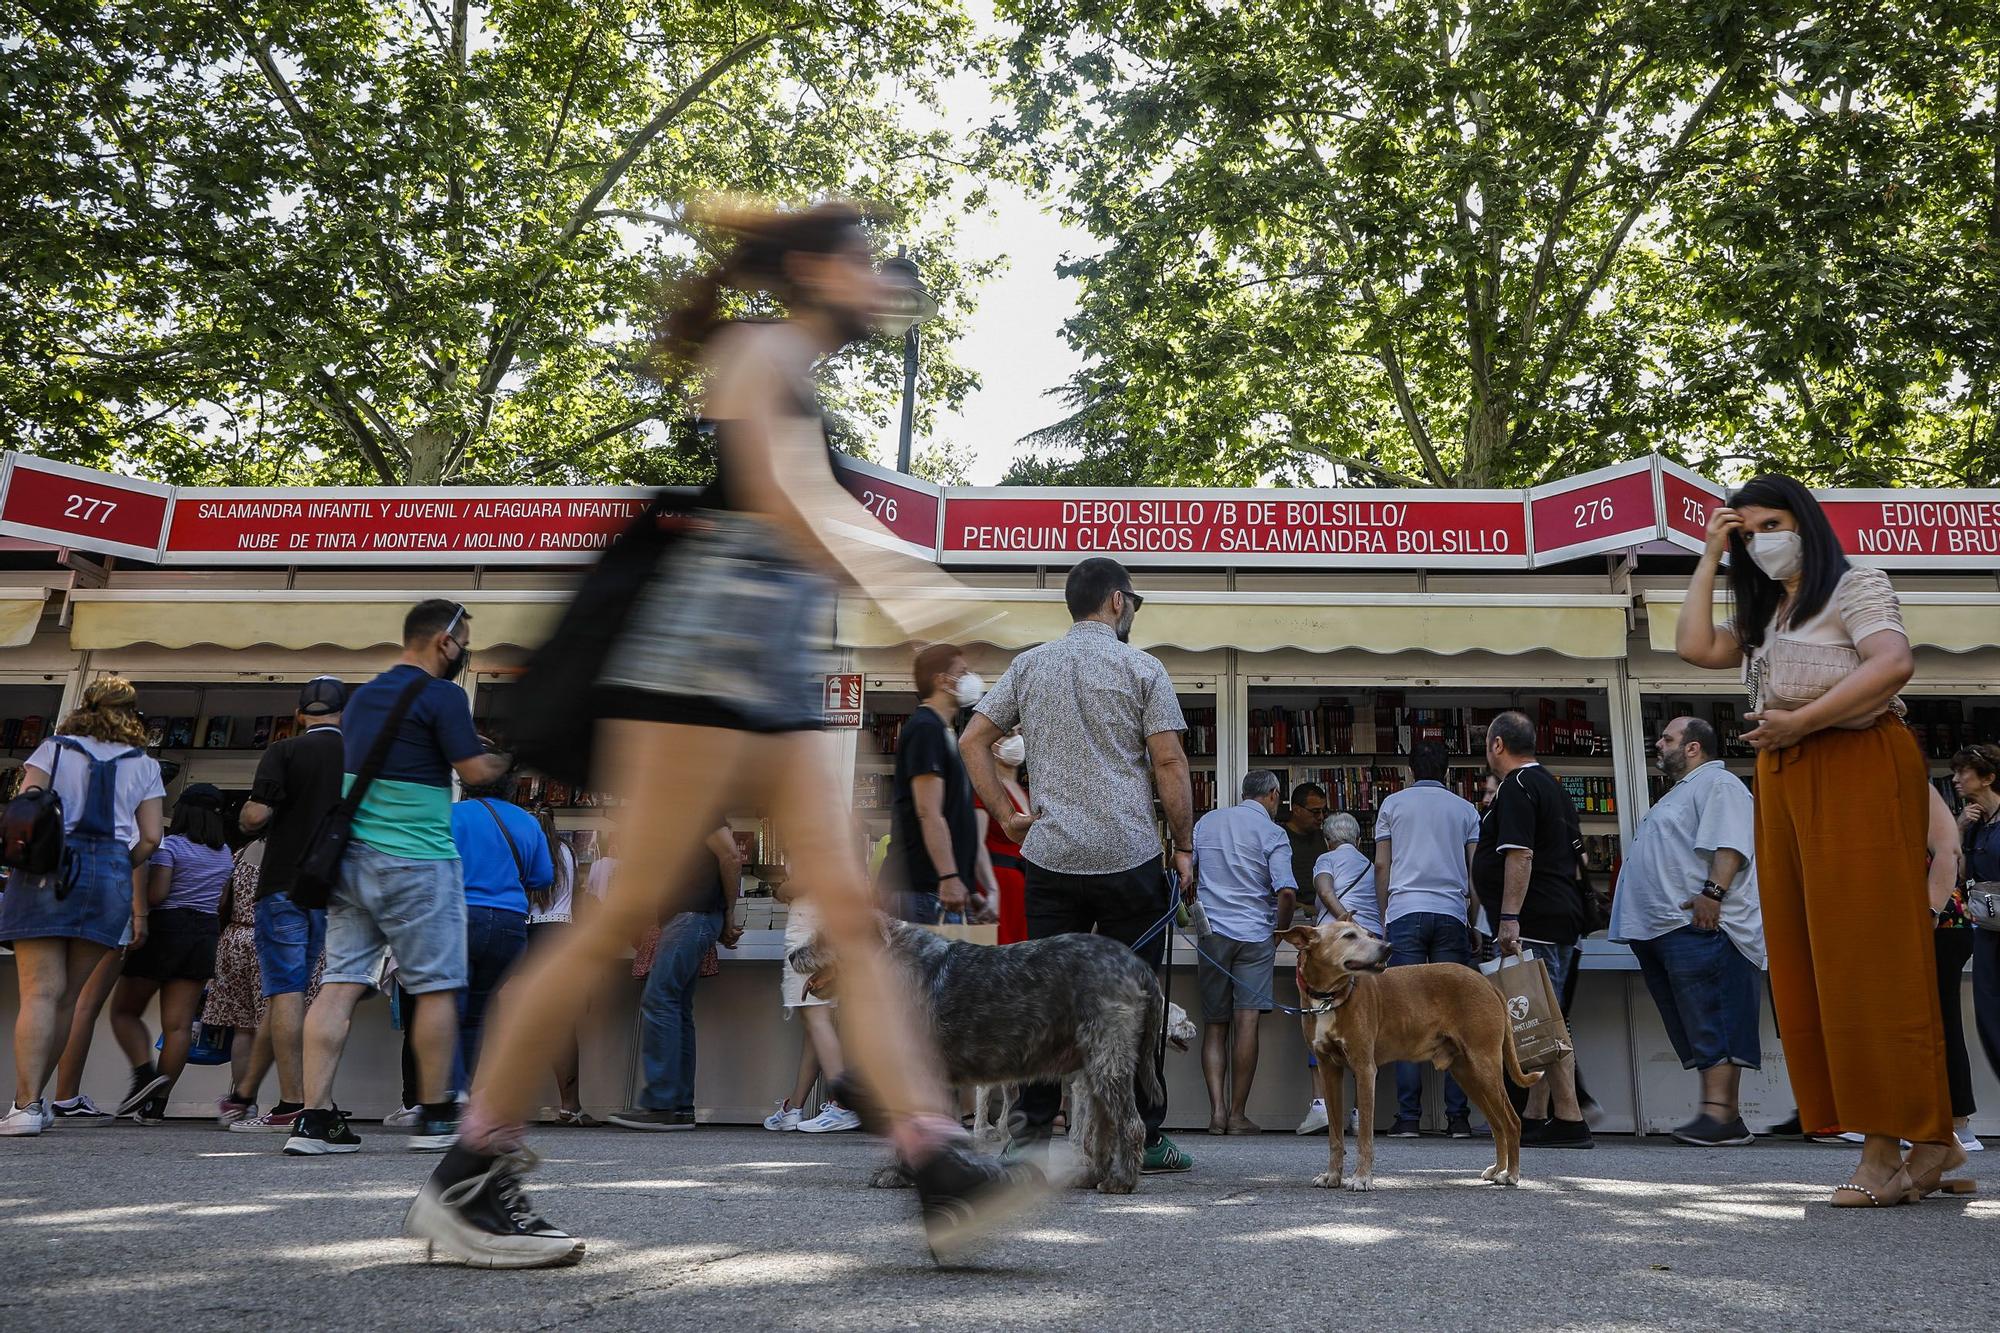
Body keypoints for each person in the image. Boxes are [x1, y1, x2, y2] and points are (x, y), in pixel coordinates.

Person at [408, 201, 1041, 1268]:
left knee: (850, 912)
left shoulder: (784, 363)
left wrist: (909, 589)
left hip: (773, 669)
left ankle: (938, 1162)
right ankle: (470, 1170)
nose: (881, 280)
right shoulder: (755, 351)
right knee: (623, 919)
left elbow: (805, 512)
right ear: (809, 270)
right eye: (862, 263)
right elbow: (787, 497)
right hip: (696, 667)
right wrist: (920, 590)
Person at [1678, 474, 1964, 1205]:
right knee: (1810, 959)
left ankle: (1886, 1146)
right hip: (1787, 777)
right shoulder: (1770, 609)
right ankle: (1929, 1138)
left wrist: (1802, 722)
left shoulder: (1855, 583)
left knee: (1867, 960)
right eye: (1748, 530)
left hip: (1855, 761)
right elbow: (1691, 646)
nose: (1761, 538)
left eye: (1772, 521)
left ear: (1805, 519)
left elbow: (1894, 662)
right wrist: (1711, 553)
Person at [962, 556, 1197, 1175]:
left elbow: (972, 741)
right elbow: (1170, 765)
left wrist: (1007, 816)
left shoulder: (1029, 665)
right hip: (1129, 858)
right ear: (1117, 602)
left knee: (1044, 1000)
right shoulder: (1143, 668)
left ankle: (1031, 1136)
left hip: (1052, 857)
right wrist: (1184, 845)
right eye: (1134, 605)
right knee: (1133, 1003)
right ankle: (1142, 1137)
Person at [288, 601, 509, 1157]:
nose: (462, 654)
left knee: (338, 983)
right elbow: (475, 772)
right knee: (436, 987)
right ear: (444, 641)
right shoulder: (443, 696)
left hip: (352, 860)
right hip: (418, 860)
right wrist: (511, 757)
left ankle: (312, 1122)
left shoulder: (363, 696)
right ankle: (436, 1118)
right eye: (463, 642)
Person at [1, 678, 165, 1135]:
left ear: (85, 704)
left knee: (39, 993)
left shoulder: (54, 749)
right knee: (69, 999)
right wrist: (116, 863)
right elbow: (151, 837)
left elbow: (24, 809)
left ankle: (26, 1106)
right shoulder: (144, 763)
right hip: (110, 875)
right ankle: (41, 1104)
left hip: (47, 869)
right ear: (132, 712)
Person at [1610, 717, 1763, 1147]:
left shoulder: (1720, 785)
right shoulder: (1683, 791)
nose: (1659, 744)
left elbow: (1731, 842)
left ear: (1693, 748)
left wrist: (1712, 894)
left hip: (1702, 925)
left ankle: (1722, 1116)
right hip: (1668, 927)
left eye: (1667, 738)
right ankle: (1717, 1114)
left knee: (1714, 1013)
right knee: (1696, 1019)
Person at [232, 676, 346, 1134]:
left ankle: (291, 1101)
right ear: (344, 714)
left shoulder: (284, 751)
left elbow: (256, 815)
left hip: (284, 884)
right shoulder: (360, 758)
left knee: (286, 989)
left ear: (301, 714)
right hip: (340, 889)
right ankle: (320, 1098)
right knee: (334, 991)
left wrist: (246, 814)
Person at [1474, 709, 1591, 1149]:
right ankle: (1537, 1113)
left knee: (1544, 1021)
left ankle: (1570, 1118)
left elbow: (1518, 855)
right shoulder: (1553, 787)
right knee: (1542, 1018)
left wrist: (1508, 918)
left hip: (1534, 920)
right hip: (1558, 916)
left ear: (1497, 745)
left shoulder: (1518, 786)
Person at [1373, 739, 1482, 1139]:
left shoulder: (1392, 806)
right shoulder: (1466, 810)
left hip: (1405, 912)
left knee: (1404, 1018)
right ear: (1448, 771)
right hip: (1451, 913)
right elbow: (1475, 875)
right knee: (1456, 1017)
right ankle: (1458, 1118)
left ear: (1410, 770)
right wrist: (1472, 921)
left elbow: (1382, 865)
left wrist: (1386, 916)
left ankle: (1408, 1118)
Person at [107, 784, 233, 1123]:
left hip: (166, 929)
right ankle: (156, 1107)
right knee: (178, 1026)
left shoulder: (170, 847)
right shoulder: (224, 854)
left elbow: (159, 894)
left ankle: (144, 1075)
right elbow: (221, 903)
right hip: (204, 934)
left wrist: (136, 903)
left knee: (123, 1011)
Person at [610, 828, 741, 1131]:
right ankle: (678, 1106)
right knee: (676, 1007)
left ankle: (662, 1102)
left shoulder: (703, 802)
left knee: (660, 999)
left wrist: (730, 913)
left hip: (690, 915)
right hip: (689, 916)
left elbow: (731, 856)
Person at [1189, 770, 1297, 1136]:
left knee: (1215, 1026)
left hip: (1213, 931)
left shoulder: (1207, 823)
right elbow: (1286, 892)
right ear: (1273, 794)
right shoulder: (1273, 833)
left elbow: (1188, 874)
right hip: (1254, 934)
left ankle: (1216, 1112)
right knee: (1247, 1023)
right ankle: (1238, 1114)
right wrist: (1279, 933)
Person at [449, 781, 554, 1095]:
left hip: (460, 917)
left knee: (447, 1009)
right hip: (510, 924)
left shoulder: (452, 815)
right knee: (477, 1014)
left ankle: (445, 1096)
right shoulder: (527, 821)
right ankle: (463, 1092)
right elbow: (543, 877)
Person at [765, 865, 861, 1134]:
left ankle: (841, 1105)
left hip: (808, 930)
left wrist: (782, 888)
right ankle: (794, 1107)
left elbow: (806, 879)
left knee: (817, 1020)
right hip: (819, 926)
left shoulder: (812, 830)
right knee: (815, 1024)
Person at [891, 643, 982, 925]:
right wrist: (949, 876)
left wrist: (966, 882)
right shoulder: (925, 729)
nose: (971, 678)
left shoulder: (942, 731)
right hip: (926, 888)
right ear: (942, 680)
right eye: (963, 672)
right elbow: (928, 810)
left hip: (940, 889)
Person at [1296, 811, 1373, 1136]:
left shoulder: (1326, 859)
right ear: (1357, 840)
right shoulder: (1370, 863)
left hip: (1334, 954)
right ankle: (1358, 1111)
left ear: (1328, 841)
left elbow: (1324, 889)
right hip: (1369, 950)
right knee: (1361, 1034)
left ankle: (1321, 1106)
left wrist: (1342, 918)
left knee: (1320, 1023)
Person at [523, 808, 599, 1126]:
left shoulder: (524, 848)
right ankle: (570, 1106)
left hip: (527, 933)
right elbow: (579, 900)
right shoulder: (567, 851)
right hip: (562, 934)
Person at [1925, 781, 1979, 1153]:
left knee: (1942, 1021)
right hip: (1944, 924)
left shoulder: (1916, 793)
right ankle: (1954, 1121)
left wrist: (1929, 911)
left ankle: (1960, 1122)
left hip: (1940, 926)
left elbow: (1949, 852)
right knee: (1936, 1022)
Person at [209, 841, 278, 1126]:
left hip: (234, 938)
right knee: (274, 1020)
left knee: (243, 1027)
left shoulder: (240, 853)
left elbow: (221, 900)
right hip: (270, 940)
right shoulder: (287, 851)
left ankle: (242, 1102)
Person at [1952, 742, 2000, 1149]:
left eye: (1964, 772)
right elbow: (1958, 868)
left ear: (1988, 777)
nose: (1956, 778)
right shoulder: (1976, 822)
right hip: (1986, 931)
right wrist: (1962, 827)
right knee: (1989, 1017)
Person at [973, 727, 1031, 944]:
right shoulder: (986, 788)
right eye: (1008, 733)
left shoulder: (1024, 793)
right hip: (998, 882)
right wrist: (991, 890)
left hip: (1023, 886)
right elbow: (977, 844)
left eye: (1019, 733)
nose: (1016, 739)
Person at [1283, 782, 1330, 905]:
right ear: (1296, 810)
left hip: (1324, 910)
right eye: (1315, 812)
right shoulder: (1279, 839)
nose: (1320, 817)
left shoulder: (1326, 838)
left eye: (1323, 811)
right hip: (1292, 914)